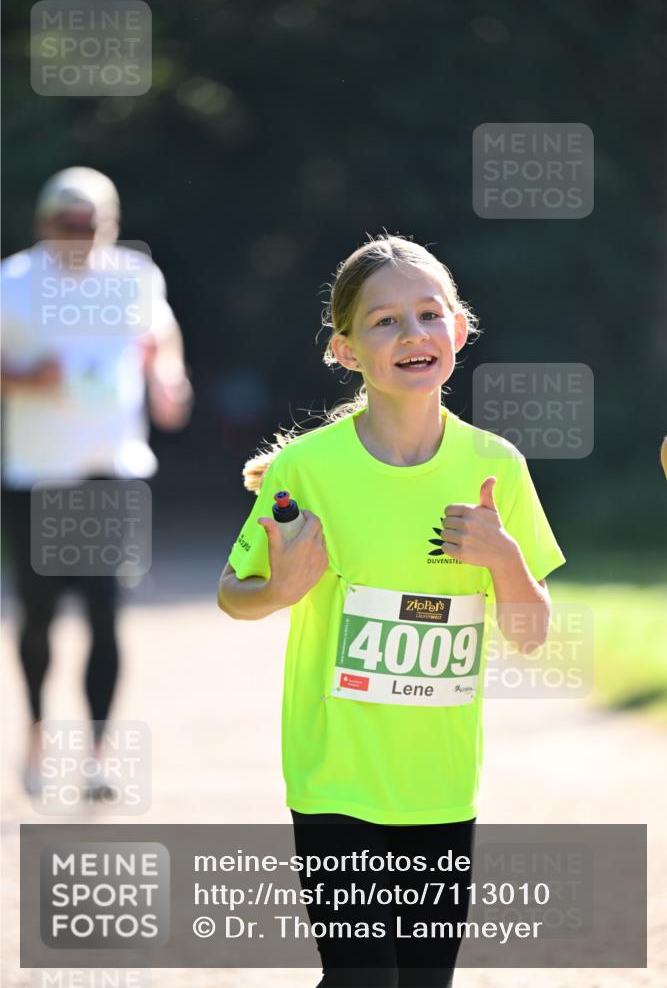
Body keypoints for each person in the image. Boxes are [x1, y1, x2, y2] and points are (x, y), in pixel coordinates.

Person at [217, 235, 565, 987]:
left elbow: (531, 635)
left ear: (458, 330)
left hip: (438, 784)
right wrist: (278, 590)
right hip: (332, 776)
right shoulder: (305, 469)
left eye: (427, 315)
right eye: (384, 322)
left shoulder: (494, 468)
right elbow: (231, 593)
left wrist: (502, 559)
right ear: (344, 350)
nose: (411, 335)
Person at [1, 166, 193, 798]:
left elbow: (159, 334)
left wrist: (168, 377)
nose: (80, 238)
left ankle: (98, 756)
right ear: (44, 225)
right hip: (37, 477)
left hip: (113, 472)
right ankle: (34, 732)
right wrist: (28, 381)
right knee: (37, 620)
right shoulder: (15, 283)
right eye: (67, 226)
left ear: (110, 224)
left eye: (91, 226)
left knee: (107, 616)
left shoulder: (136, 278)